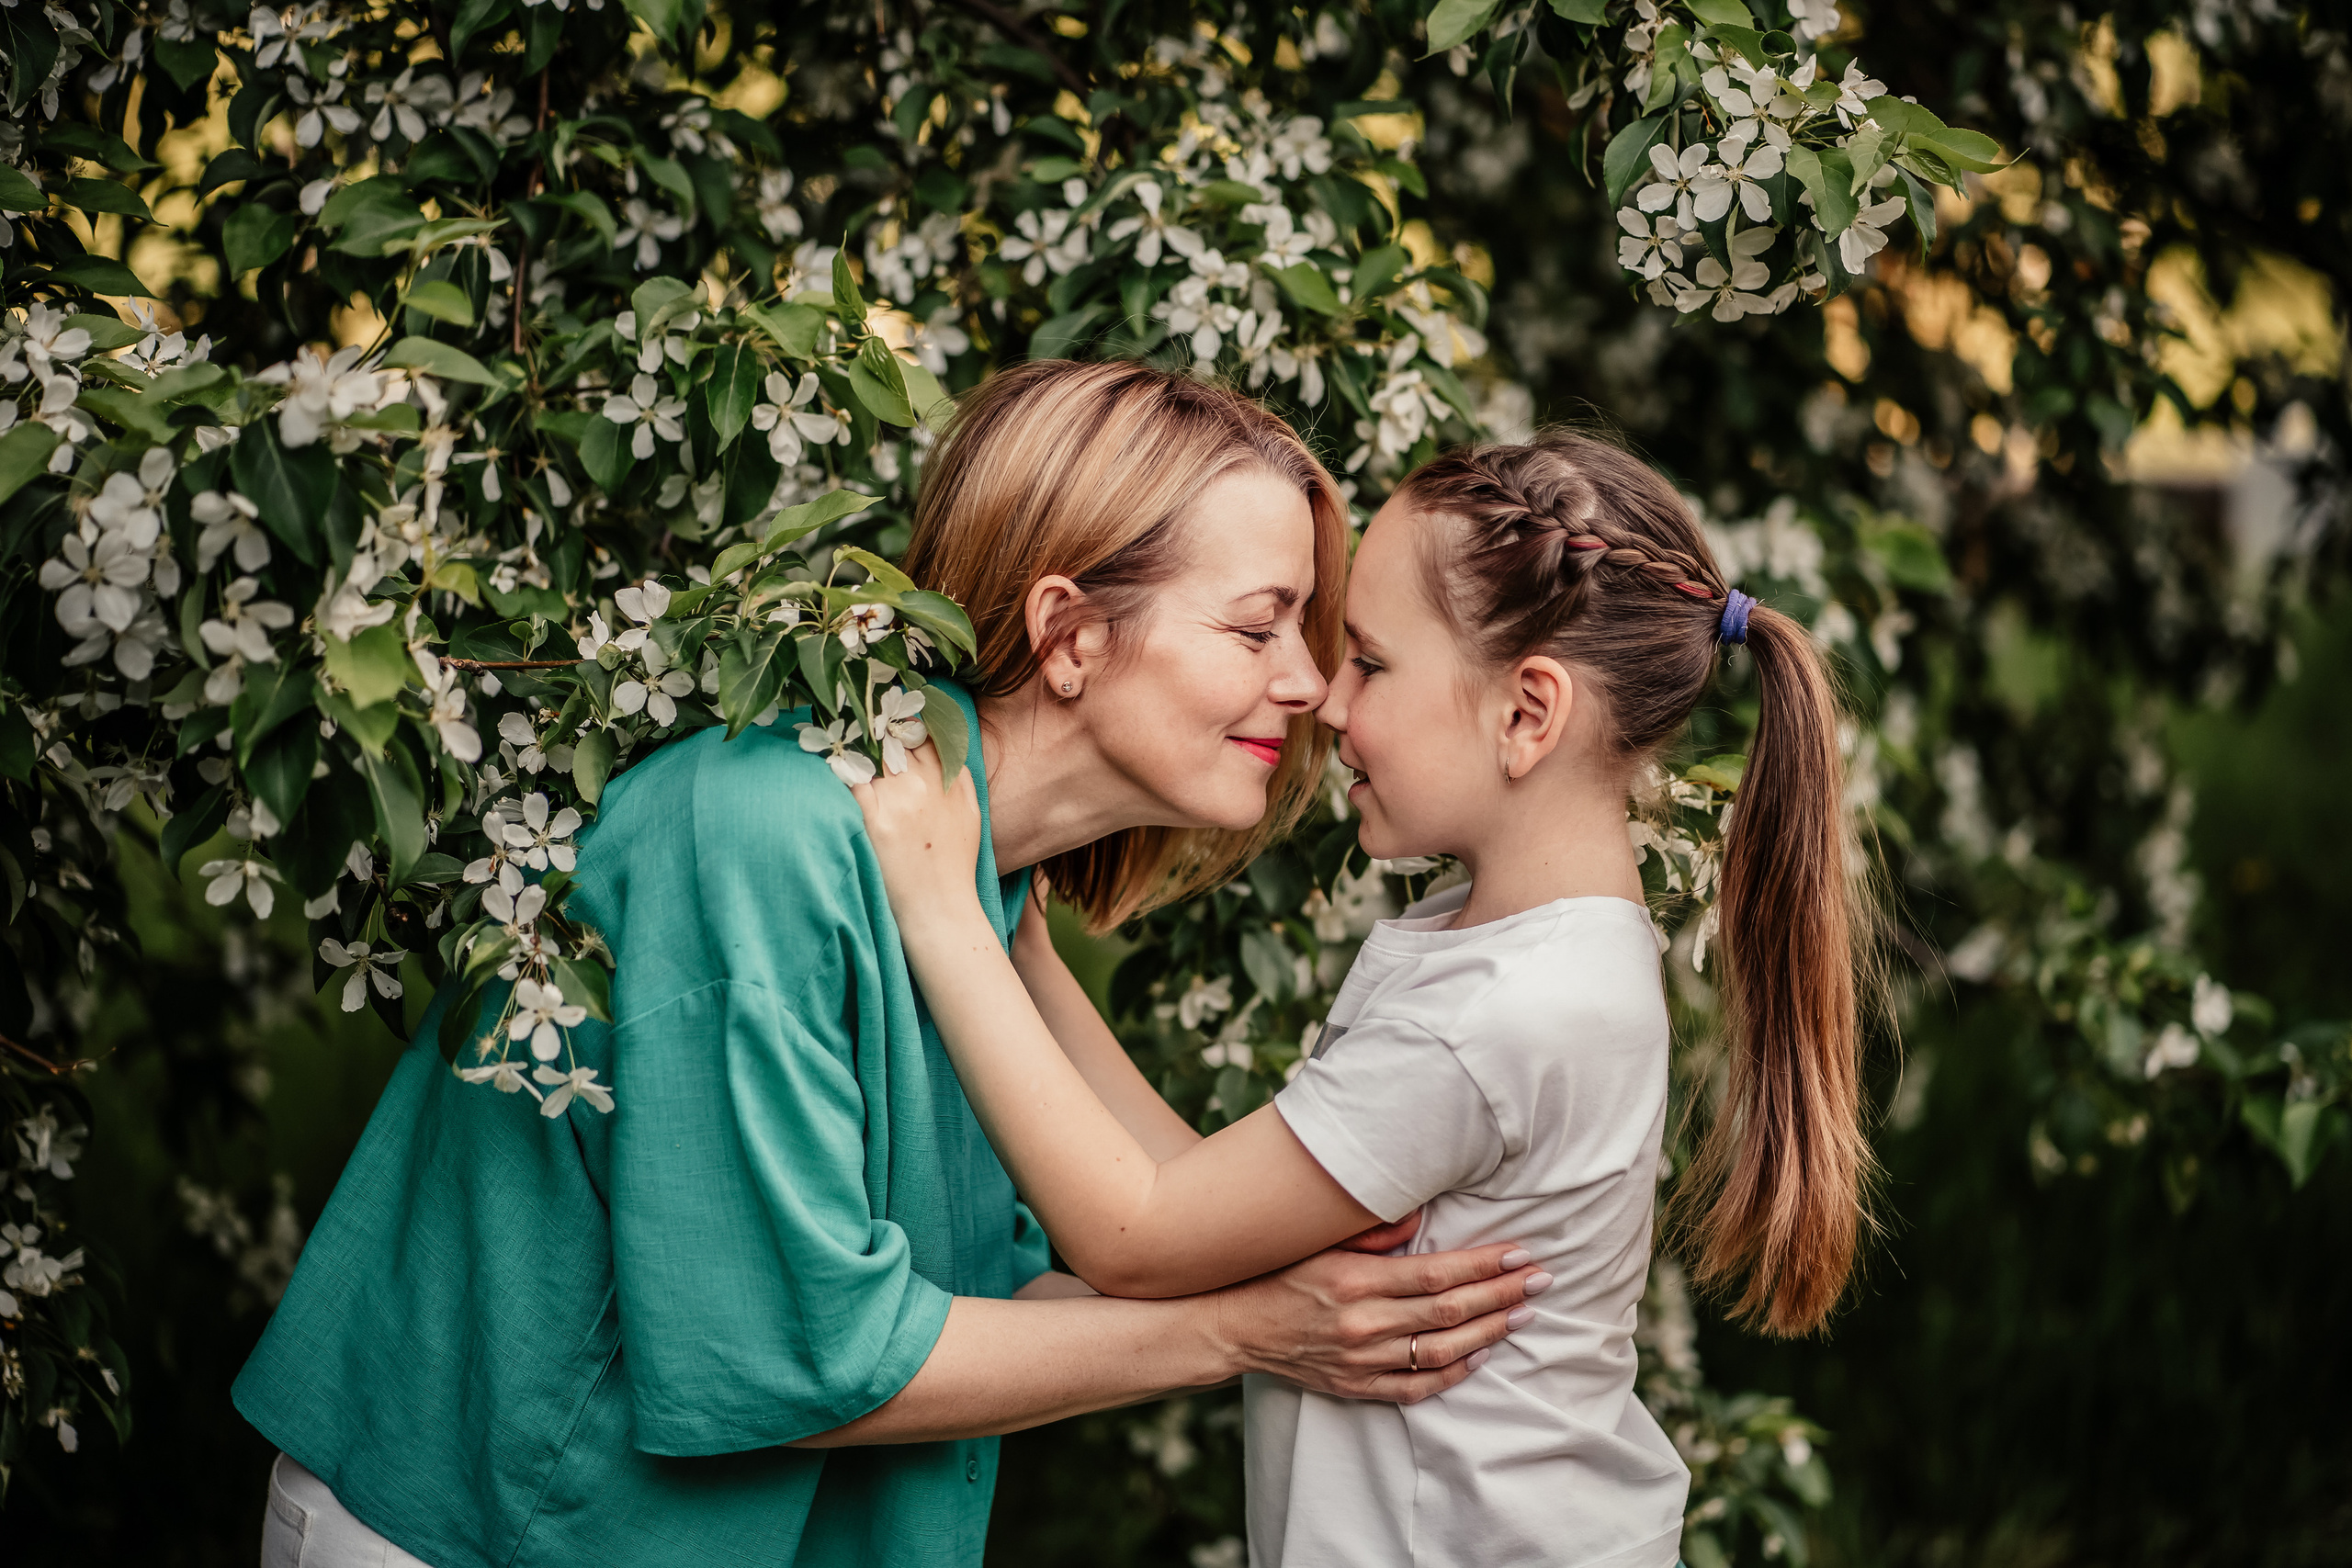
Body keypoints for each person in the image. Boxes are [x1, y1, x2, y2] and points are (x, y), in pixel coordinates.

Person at [232, 362, 1545, 1568]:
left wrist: (1290, 1277)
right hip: (477, 1533)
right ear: (1072, 633)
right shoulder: (765, 838)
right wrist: (1242, 1332)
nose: (1312, 683)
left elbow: (992, 1279)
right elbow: (795, 1352)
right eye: (1261, 629)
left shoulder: (973, 883)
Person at [852, 431, 1874, 1568]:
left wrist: (943, 917)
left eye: (1371, 666)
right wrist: (1030, 956)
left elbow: (1136, 1237)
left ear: (1528, 715)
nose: (1323, 702)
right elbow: (1191, 1209)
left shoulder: (1499, 1016)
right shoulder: (1502, 951)